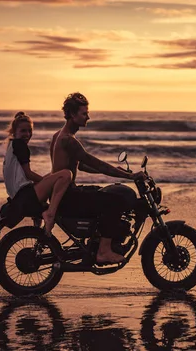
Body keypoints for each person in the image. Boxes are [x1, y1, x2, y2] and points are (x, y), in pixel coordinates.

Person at [50, 92, 145, 265]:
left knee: (101, 193)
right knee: (114, 201)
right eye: (84, 113)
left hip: (63, 194)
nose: (88, 117)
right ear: (72, 114)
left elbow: (84, 166)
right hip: (68, 197)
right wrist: (129, 175)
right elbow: (96, 163)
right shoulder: (68, 140)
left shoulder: (58, 136)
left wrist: (117, 171)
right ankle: (104, 251)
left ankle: (97, 240)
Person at [3, 112, 72, 235]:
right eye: (23, 131)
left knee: (50, 175)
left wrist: (47, 180)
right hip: (24, 196)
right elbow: (28, 174)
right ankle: (50, 213)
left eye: (30, 131)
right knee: (66, 174)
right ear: (15, 131)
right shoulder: (20, 145)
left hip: (17, 196)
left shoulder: (11, 145)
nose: (27, 135)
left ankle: (37, 219)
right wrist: (47, 183)